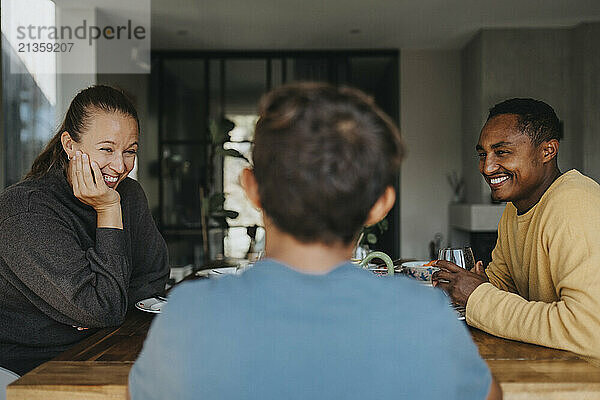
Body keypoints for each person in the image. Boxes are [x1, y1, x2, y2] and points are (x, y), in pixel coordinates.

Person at [129, 83, 501, 399]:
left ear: (251, 189)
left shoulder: (189, 314)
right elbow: (489, 395)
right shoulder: (423, 314)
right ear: (380, 205)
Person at [0, 85, 169, 376]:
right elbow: (103, 308)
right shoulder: (26, 211)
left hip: (106, 347)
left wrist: (106, 306)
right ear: (70, 145)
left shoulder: (128, 194)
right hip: (31, 369)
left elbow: (155, 274)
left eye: (130, 151)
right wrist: (107, 211)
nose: (120, 165)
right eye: (106, 149)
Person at [432, 98, 600, 361]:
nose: (486, 167)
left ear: (548, 151)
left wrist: (478, 297)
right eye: (482, 154)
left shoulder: (575, 204)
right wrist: (472, 286)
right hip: (553, 371)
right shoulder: (515, 208)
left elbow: (588, 331)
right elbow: (502, 287)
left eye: (502, 152)